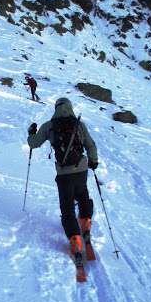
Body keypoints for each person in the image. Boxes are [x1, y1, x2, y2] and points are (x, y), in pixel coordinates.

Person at [27, 97, 98, 281]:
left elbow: (33, 144)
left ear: (56, 108)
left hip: (64, 173)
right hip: (81, 170)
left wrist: (31, 133)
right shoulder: (79, 124)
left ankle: (75, 240)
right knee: (83, 197)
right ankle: (86, 224)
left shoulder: (49, 126)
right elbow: (90, 145)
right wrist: (93, 161)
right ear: (70, 107)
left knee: (67, 209)